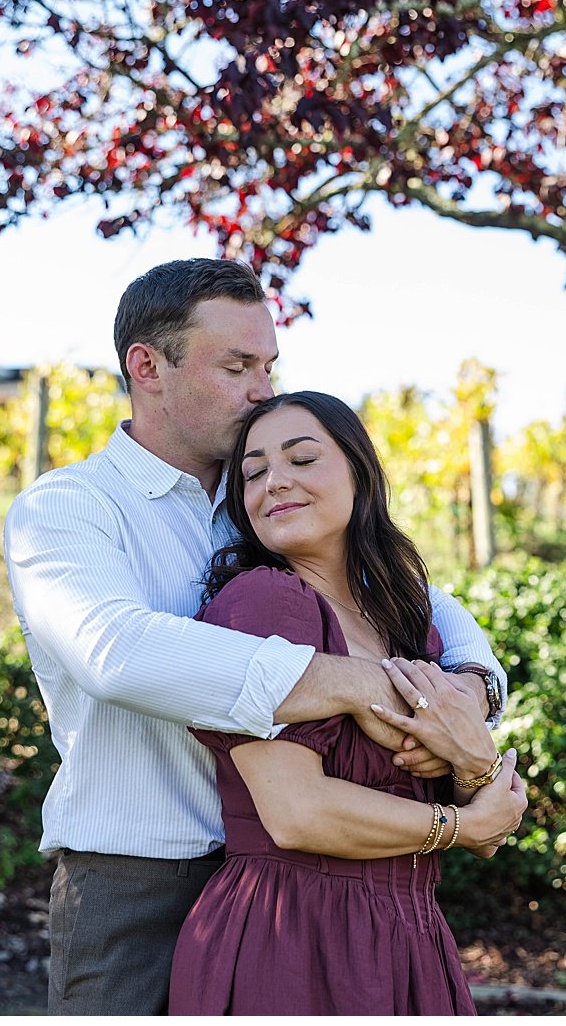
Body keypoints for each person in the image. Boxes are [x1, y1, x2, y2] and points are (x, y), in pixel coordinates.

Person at [4, 258, 507, 1014]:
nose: (262, 390)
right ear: (148, 367)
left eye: (269, 366)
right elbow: (115, 652)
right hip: (137, 884)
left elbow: (433, 616)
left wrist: (466, 694)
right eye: (237, 366)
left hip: (296, 878)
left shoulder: (263, 508)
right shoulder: (71, 507)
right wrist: (366, 685)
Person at [168, 391, 527, 1013]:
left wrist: (477, 772)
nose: (275, 482)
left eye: (302, 459)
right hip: (290, 934)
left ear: (360, 474)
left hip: (410, 931)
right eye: (253, 473)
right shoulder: (264, 603)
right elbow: (297, 813)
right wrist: (461, 826)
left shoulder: (406, 620)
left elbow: (485, 811)